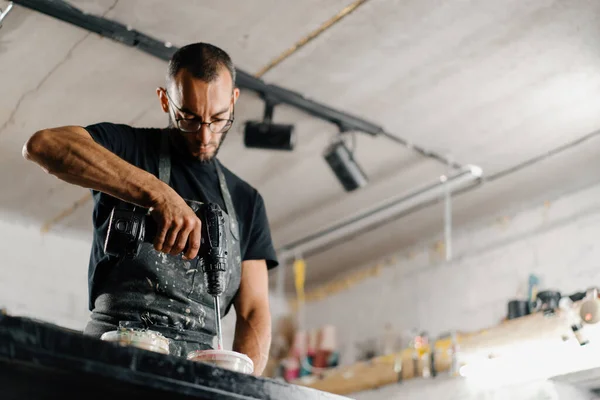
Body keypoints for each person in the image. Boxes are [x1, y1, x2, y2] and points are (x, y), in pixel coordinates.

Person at [22, 42, 278, 375]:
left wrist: (243, 390)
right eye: (188, 118)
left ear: (233, 101)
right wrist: (157, 193)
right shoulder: (129, 149)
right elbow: (44, 146)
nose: (204, 136)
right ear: (164, 100)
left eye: (218, 119)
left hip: (196, 375)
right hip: (116, 359)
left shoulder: (247, 201)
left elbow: (253, 311)